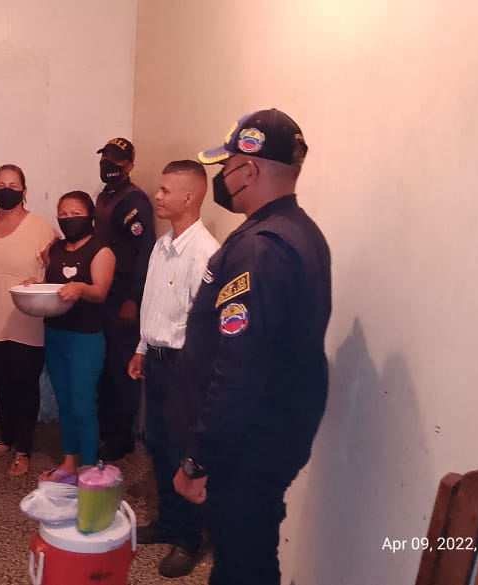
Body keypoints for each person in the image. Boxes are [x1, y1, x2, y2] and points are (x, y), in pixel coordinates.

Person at [172, 109, 332, 585]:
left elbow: (239, 366)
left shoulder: (260, 247)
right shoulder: (297, 231)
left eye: (226, 166)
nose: (222, 176)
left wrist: (199, 458)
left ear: (249, 169)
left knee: (242, 561)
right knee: (249, 554)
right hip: (265, 434)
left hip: (245, 445)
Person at [127, 160, 220, 578]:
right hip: (158, 362)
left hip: (186, 367)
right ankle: (167, 521)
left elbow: (206, 328)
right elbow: (153, 304)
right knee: (158, 444)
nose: (157, 196)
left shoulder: (206, 255)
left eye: (166, 190)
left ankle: (189, 538)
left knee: (185, 451)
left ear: (190, 197)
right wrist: (142, 348)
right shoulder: (162, 245)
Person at [0, 164, 59, 477]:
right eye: (0, 184)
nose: (5, 189)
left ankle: (23, 449)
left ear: (24, 190)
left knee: (24, 386)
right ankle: (6, 439)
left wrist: (41, 282)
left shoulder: (40, 227)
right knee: (2, 383)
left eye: (12, 184)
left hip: (26, 321)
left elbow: (58, 269)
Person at [36, 191, 114, 483]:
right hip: (55, 333)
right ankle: (70, 462)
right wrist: (35, 285)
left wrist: (80, 287)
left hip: (86, 339)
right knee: (65, 403)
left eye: (75, 213)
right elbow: (51, 284)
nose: (68, 219)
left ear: (90, 215)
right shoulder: (55, 249)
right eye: (63, 214)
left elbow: (100, 291)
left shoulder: (101, 250)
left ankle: (90, 469)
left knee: (83, 405)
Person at [93, 137, 156, 462]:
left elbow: (145, 251)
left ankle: (122, 438)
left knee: (121, 368)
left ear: (129, 165)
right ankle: (108, 430)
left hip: (123, 297)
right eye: (105, 158)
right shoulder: (105, 196)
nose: (108, 165)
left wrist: (133, 298)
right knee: (105, 366)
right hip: (105, 293)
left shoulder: (134, 202)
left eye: (116, 161)